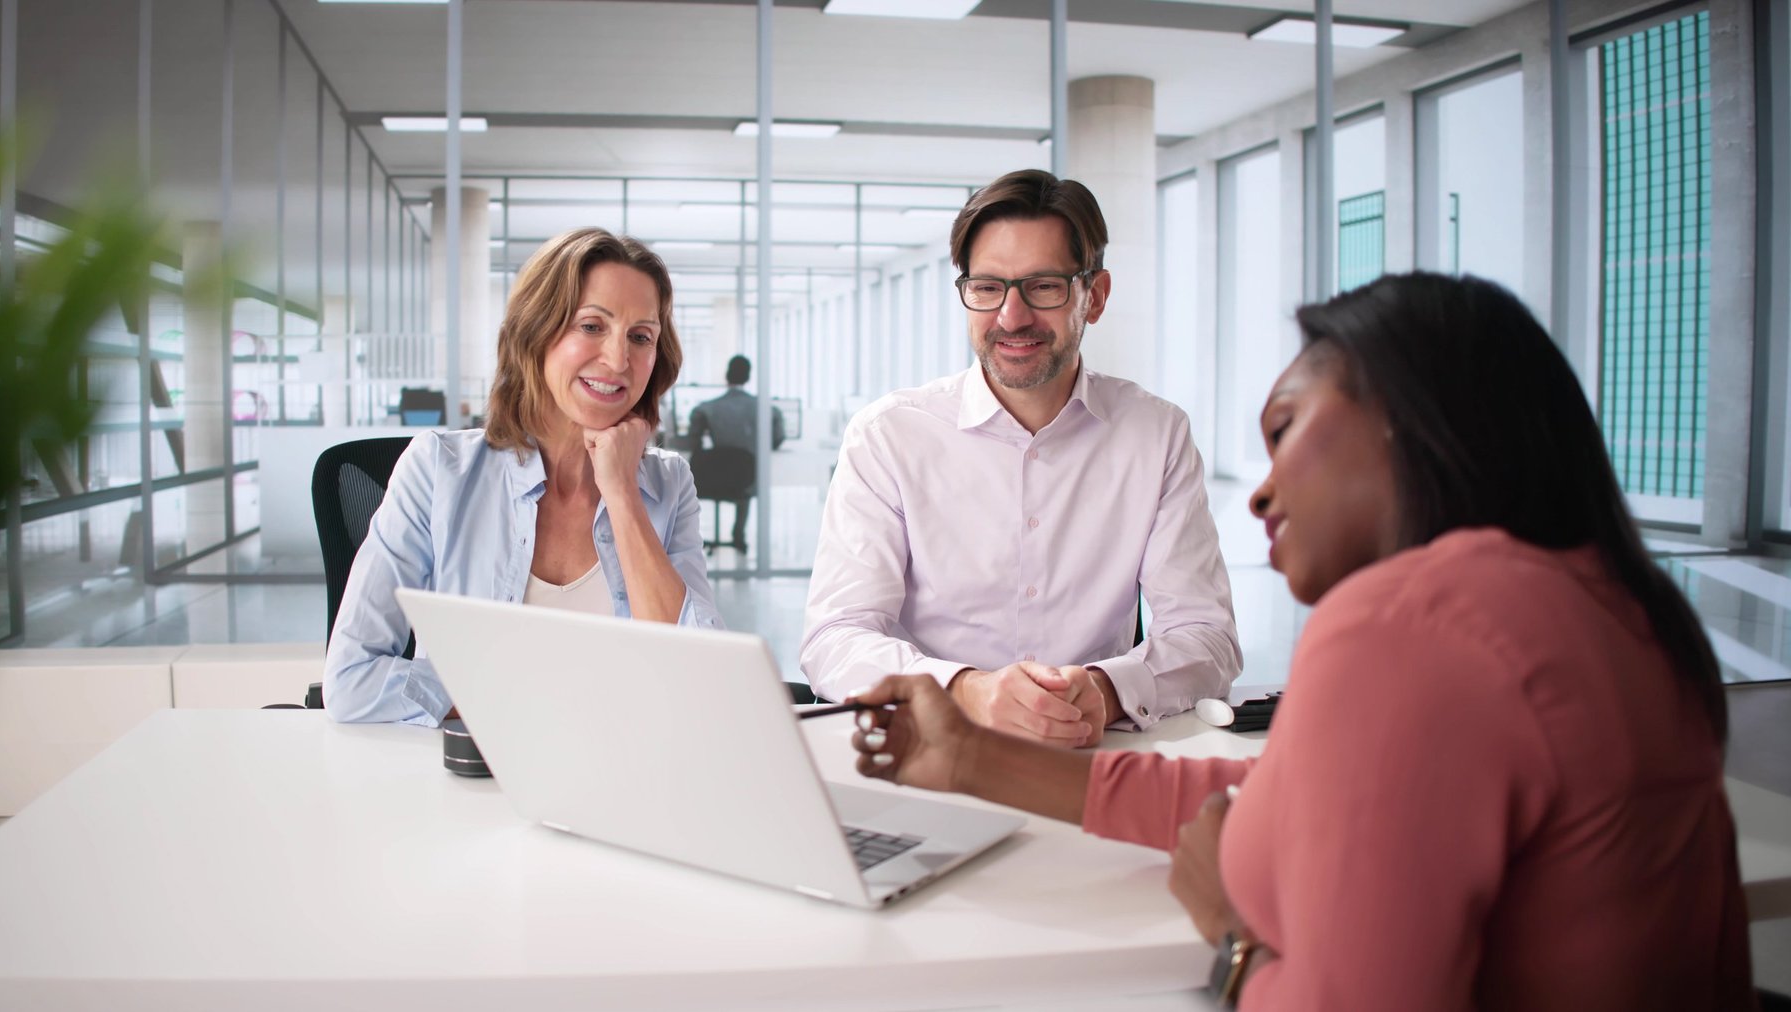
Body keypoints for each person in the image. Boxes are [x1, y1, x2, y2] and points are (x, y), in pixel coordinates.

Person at [844, 272, 1753, 1009]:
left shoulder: (1410, 623)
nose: (1261, 492)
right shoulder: (1611, 611)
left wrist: (1232, 937)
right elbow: (1280, 798)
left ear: (1404, 419)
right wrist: (973, 758)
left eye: (1285, 431)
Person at [801, 168, 1240, 745]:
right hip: (928, 751)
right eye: (988, 288)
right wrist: (967, 691)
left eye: (1044, 286)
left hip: (1087, 753)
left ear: (1095, 296)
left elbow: (1206, 635)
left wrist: (1106, 689)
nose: (1011, 316)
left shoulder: (1155, 435)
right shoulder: (889, 435)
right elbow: (835, 638)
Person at [323, 227, 723, 726]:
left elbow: (697, 679)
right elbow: (352, 679)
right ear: (537, 332)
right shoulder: (437, 470)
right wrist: (524, 706)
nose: (618, 359)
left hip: (625, 764)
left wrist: (622, 492)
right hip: (479, 765)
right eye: (591, 326)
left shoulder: (668, 484)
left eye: (640, 337)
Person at [687, 354, 785, 551]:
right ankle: (738, 534)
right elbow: (777, 438)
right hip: (747, 479)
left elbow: (693, 437)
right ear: (748, 377)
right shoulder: (767, 408)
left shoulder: (707, 408)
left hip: (713, 477)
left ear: (727, 376)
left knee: (728, 473)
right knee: (744, 477)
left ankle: (696, 536)